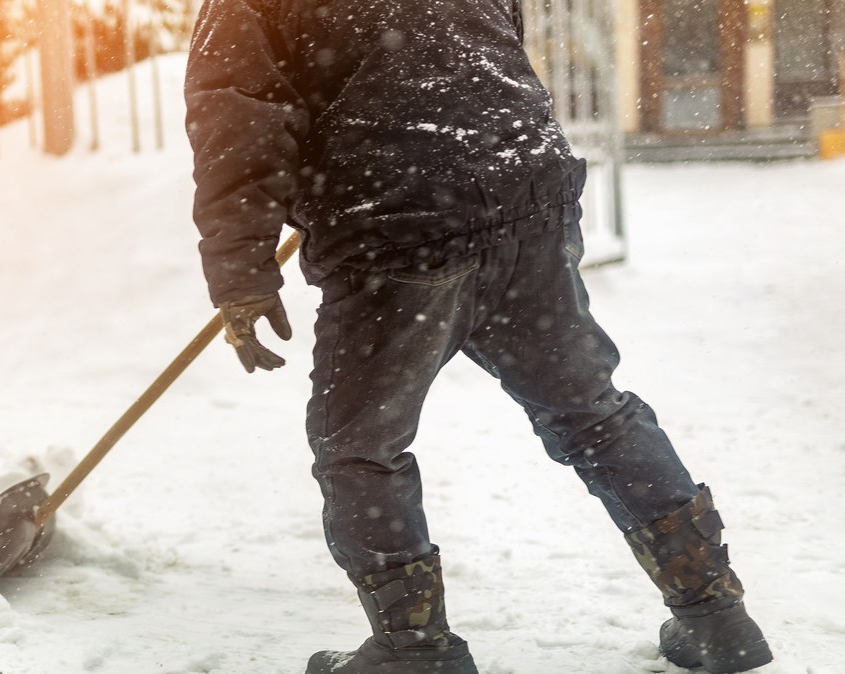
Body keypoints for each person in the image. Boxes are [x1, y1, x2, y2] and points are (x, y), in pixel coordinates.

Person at [182, 0, 773, 673]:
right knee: (592, 415)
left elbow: (237, 115)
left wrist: (241, 275)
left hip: (396, 220)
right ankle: (716, 615)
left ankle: (413, 648)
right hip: (523, 193)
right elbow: (492, 41)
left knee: (360, 447)